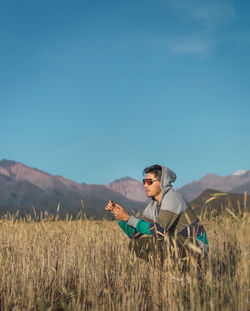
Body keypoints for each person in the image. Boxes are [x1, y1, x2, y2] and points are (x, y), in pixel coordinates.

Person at [105, 165, 208, 268]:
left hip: (198, 245)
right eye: (144, 182)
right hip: (177, 242)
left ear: (162, 182)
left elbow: (159, 231)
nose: (145, 185)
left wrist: (128, 218)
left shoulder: (172, 198)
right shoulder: (152, 206)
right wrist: (120, 216)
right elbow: (134, 233)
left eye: (149, 182)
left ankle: (186, 272)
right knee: (135, 244)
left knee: (161, 243)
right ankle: (176, 274)